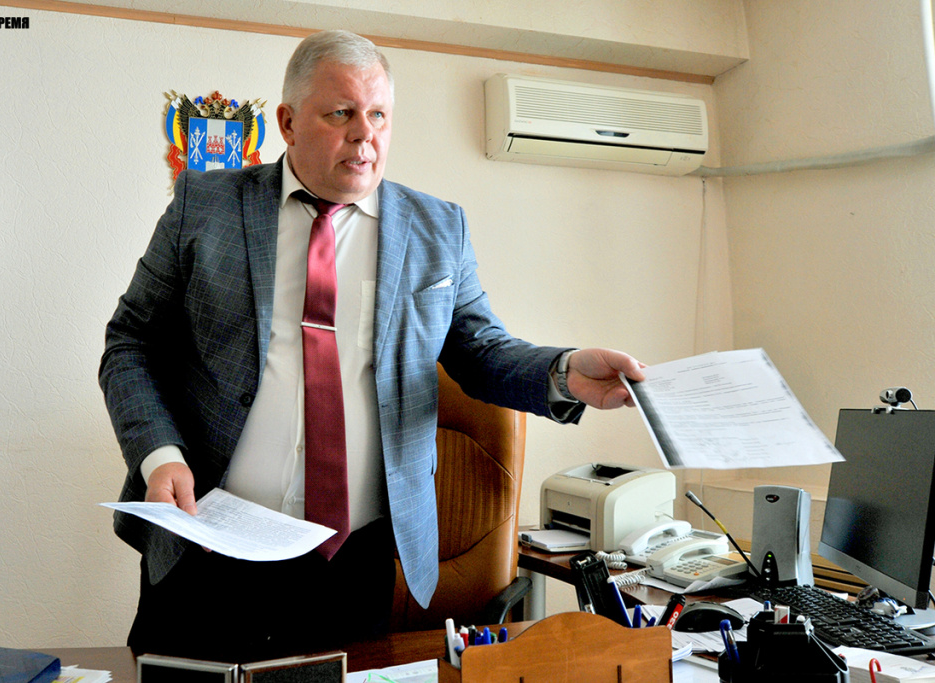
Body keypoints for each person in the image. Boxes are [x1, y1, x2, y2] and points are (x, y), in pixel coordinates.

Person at [99, 29, 645, 663]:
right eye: (341, 113)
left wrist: (564, 372)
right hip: (209, 546)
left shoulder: (437, 228)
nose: (365, 135)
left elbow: (479, 350)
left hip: (352, 559)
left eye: (379, 115)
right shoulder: (205, 207)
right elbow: (130, 343)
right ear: (287, 122)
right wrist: (159, 456)